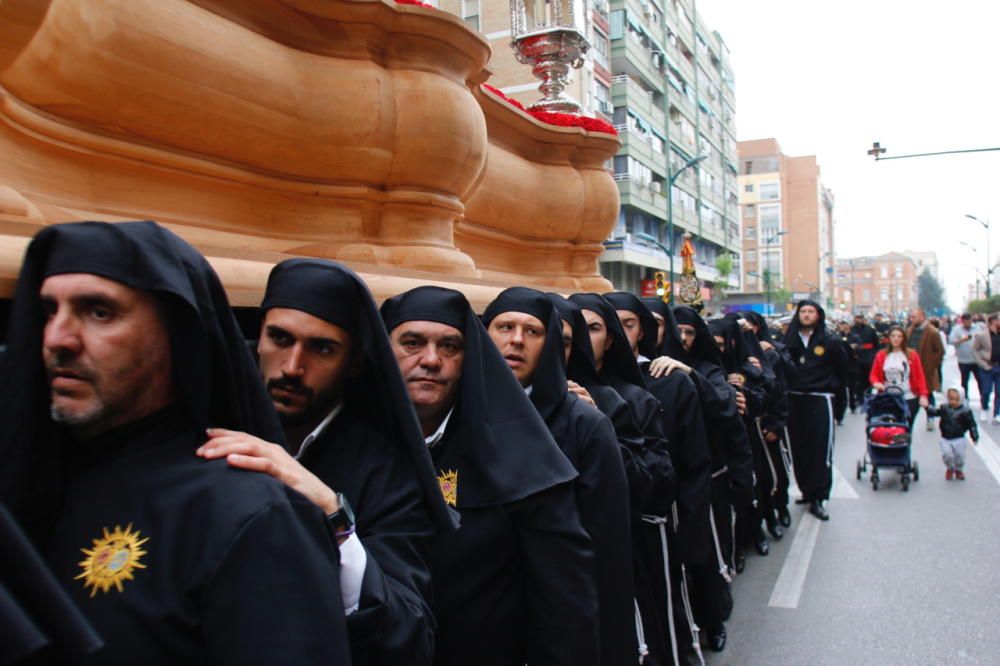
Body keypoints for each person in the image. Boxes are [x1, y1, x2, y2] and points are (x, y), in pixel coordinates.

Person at [0, 221, 352, 665]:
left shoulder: (250, 515)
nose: (57, 339)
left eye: (99, 312)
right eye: (49, 310)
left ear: (175, 336)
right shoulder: (26, 475)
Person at [197, 258, 455, 665]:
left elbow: (409, 632)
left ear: (353, 363)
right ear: (257, 339)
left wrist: (334, 519)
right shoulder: (206, 434)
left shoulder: (388, 472)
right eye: (280, 339)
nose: (293, 367)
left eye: (321, 349)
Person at [380, 286, 600, 666]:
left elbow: (566, 611)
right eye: (412, 343)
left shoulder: (525, 458)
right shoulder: (357, 445)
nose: (430, 360)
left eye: (449, 346)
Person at [483, 287, 637, 666]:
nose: (516, 340)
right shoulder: (459, 415)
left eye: (533, 332)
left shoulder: (585, 424)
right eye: (504, 327)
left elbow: (607, 553)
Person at [782, 300, 848, 521]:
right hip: (795, 400)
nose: (807, 315)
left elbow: (843, 373)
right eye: (803, 311)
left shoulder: (830, 342)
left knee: (820, 451)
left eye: (811, 311)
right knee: (799, 450)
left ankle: (819, 497)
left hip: (820, 400)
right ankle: (806, 491)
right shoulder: (788, 342)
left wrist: (840, 405)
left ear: (818, 315)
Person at [869, 326, 930, 429]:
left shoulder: (912, 355)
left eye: (899, 336)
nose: (896, 339)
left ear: (904, 339)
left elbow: (920, 376)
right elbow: (873, 375)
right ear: (889, 338)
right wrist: (876, 383)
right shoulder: (881, 355)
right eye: (893, 336)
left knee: (906, 429)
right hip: (888, 398)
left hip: (909, 397)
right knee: (890, 429)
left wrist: (923, 395)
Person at [925, 386, 979, 480]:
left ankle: (959, 469)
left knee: (960, 456)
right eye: (951, 399)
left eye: (956, 400)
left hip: (959, 437)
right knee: (947, 455)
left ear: (961, 399)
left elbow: (972, 424)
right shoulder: (944, 408)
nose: (953, 402)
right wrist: (927, 407)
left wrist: (974, 436)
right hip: (946, 438)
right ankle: (950, 467)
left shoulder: (965, 411)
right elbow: (935, 412)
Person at [907, 308, 944, 431]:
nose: (911, 319)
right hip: (910, 368)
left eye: (914, 317)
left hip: (925, 369)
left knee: (928, 394)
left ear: (922, 317)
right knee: (912, 394)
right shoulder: (910, 330)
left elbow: (939, 351)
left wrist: (931, 366)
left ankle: (931, 417)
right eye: (911, 317)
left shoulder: (932, 332)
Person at [972, 313, 1000, 423]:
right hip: (987, 366)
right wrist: (981, 362)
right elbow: (974, 349)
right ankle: (984, 408)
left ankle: (997, 413)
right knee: (986, 391)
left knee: (999, 391)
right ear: (994, 322)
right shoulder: (982, 335)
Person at [950, 313, 983, 401]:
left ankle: (983, 397)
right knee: (964, 380)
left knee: (980, 379)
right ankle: (965, 398)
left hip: (976, 360)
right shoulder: (957, 329)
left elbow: (983, 339)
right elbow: (951, 341)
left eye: (969, 321)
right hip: (963, 360)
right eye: (965, 322)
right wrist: (963, 340)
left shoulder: (977, 328)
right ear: (962, 321)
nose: (967, 324)